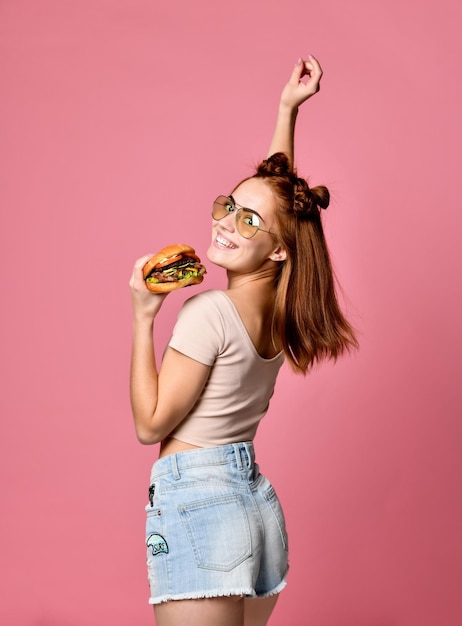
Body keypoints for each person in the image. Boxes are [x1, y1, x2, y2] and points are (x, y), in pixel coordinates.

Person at [129, 55, 358, 626]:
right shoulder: (282, 315)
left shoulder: (207, 312)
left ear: (277, 249)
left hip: (199, 503)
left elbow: (150, 425)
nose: (228, 222)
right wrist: (288, 111)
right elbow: (283, 209)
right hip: (252, 505)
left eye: (247, 221)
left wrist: (143, 317)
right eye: (229, 207)